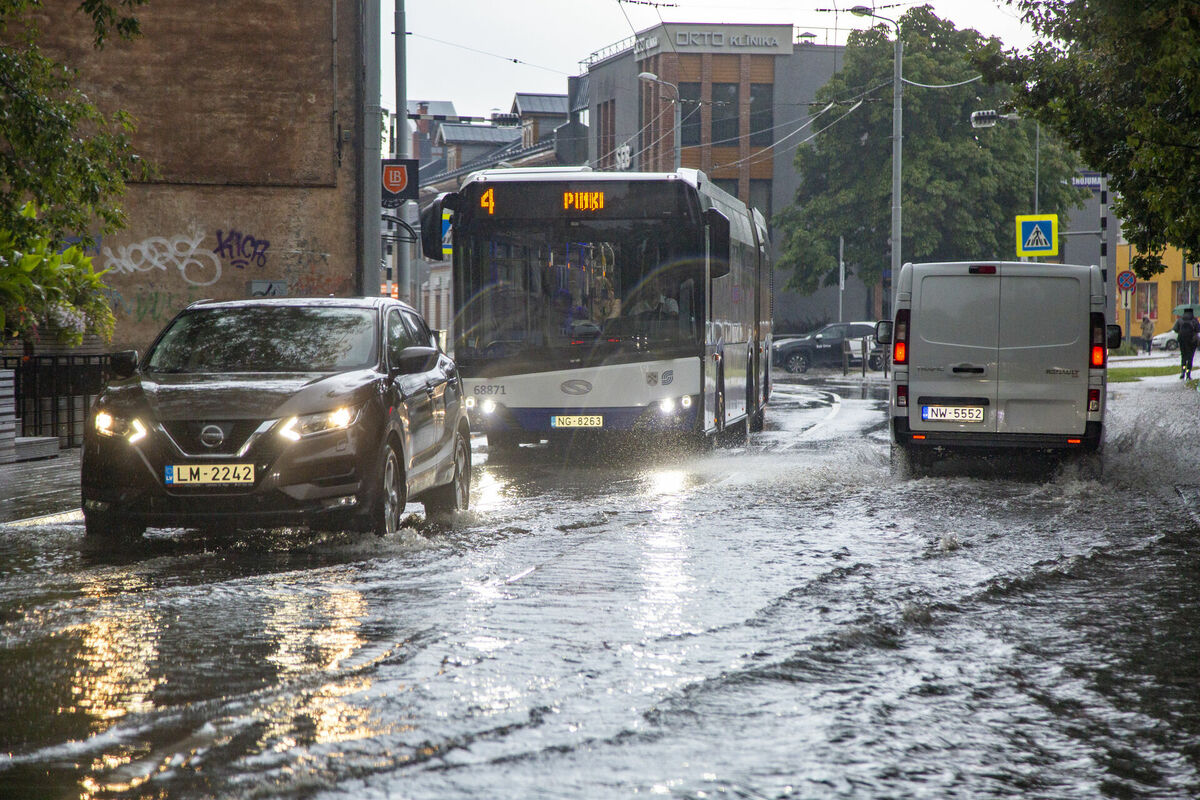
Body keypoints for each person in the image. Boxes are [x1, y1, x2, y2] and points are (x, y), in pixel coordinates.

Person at [1173, 307, 1200, 379]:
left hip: (1182, 341)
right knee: (1190, 358)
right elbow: (1198, 330)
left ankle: (1183, 371)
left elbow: (1175, 329)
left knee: (1183, 357)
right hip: (1192, 341)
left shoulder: (1180, 320)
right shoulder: (1194, 320)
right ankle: (1188, 373)